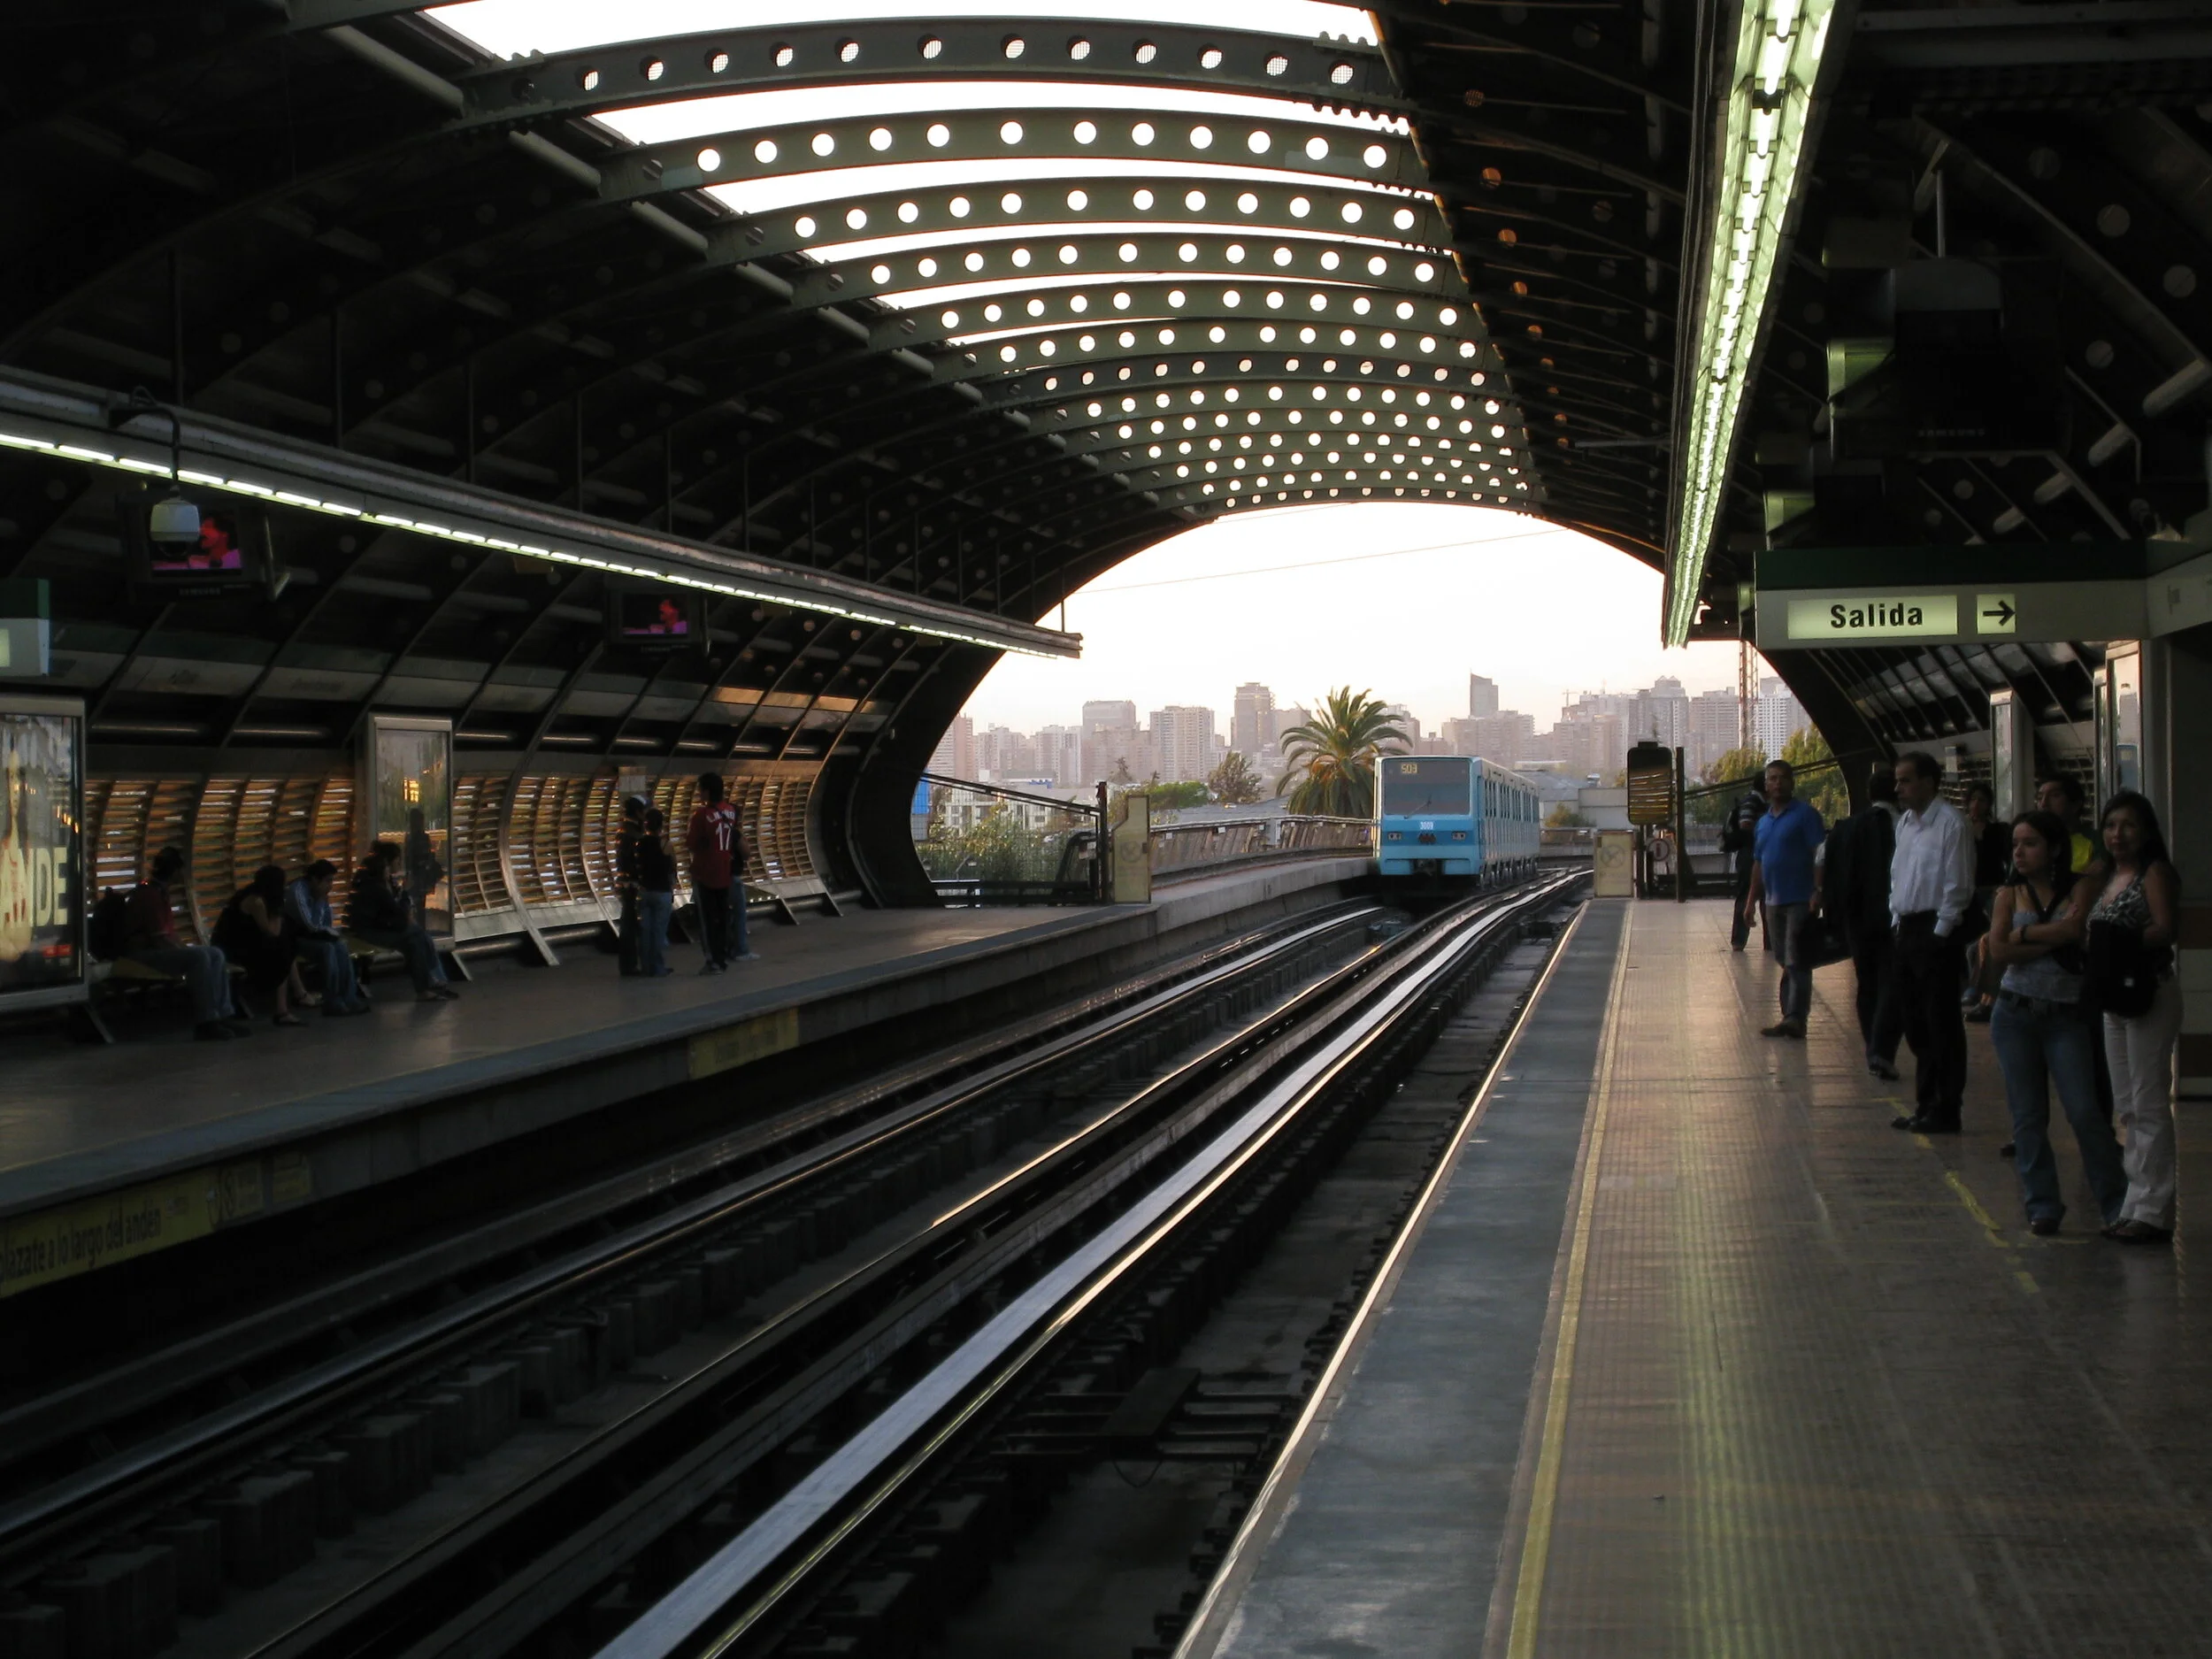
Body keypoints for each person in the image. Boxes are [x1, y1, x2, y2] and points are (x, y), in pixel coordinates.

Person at [1986, 810, 2126, 1235]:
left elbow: (2076, 931)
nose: (2020, 852)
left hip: (2066, 1017)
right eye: (2016, 844)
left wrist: (2025, 936)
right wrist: (2049, 934)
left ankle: (2117, 1202)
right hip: (2015, 1014)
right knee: (2027, 1116)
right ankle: (2042, 1204)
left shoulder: (2080, 887)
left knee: (2085, 1111)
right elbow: (1998, 952)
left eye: (2030, 843)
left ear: (2054, 849)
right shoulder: (2008, 895)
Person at [2088, 791, 2183, 1245]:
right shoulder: (2107, 876)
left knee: (2148, 1104)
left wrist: (2118, 941)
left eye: (2127, 825)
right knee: (2126, 1105)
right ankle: (2134, 1202)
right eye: (2110, 826)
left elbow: (2165, 928)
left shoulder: (2154, 874)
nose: (2117, 834)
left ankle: (2155, 1210)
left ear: (2144, 831)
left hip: (2148, 992)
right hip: (2114, 1001)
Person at [1886, 751, 1977, 1133]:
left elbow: (1958, 885)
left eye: (1906, 780)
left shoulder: (1952, 825)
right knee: (1914, 1021)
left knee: (1941, 1022)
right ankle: (1925, 1103)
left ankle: (1946, 1106)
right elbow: (1898, 874)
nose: (1899, 788)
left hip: (1937, 930)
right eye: (1898, 781)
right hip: (1907, 928)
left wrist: (1941, 934)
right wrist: (1895, 917)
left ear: (1928, 782)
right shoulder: (1905, 822)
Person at [1822, 761, 1902, 1079]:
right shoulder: (1906, 826)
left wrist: (1834, 918)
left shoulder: (1847, 828)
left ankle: (1872, 1044)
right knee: (1894, 983)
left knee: (1867, 982)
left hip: (1858, 921)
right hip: (1897, 919)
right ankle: (1883, 1048)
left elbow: (1832, 874)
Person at [122, 845, 248, 1041]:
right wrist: (183, 954)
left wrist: (184, 951)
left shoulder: (158, 892)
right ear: (175, 871)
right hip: (142, 953)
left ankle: (223, 1014)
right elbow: (159, 938)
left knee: (215, 953)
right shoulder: (150, 895)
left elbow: (167, 935)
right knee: (200, 957)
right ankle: (206, 1021)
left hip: (155, 948)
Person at [1741, 759, 1825, 1039]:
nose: (1777, 783)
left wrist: (1818, 890)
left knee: (1796, 958)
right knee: (1783, 957)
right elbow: (1759, 863)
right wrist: (1751, 900)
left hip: (1800, 899)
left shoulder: (1806, 815)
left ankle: (1794, 1017)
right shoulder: (1764, 822)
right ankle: (1790, 1014)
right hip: (1773, 901)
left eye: (1782, 778)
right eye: (1772, 779)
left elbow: (1819, 855)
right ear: (1766, 785)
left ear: (1792, 782)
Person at [349, 841, 457, 1002]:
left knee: (416, 941)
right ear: (387, 863)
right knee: (417, 936)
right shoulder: (376, 886)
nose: (399, 864)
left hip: (384, 927)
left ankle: (430, 983)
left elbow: (397, 911)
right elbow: (398, 910)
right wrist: (406, 893)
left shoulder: (386, 882)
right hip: (371, 931)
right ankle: (432, 982)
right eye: (397, 860)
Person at [213, 864, 312, 1027]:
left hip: (243, 944)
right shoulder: (256, 901)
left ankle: (291, 1002)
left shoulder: (255, 895)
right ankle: (287, 1006)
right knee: (283, 950)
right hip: (231, 950)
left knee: (285, 947)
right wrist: (278, 910)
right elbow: (272, 931)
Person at [686, 773, 755, 972]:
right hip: (725, 872)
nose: (699, 793)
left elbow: (691, 843)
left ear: (707, 791)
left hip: (705, 873)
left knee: (707, 921)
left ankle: (712, 960)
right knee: (723, 917)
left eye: (701, 789)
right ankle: (723, 956)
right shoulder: (731, 811)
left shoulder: (701, 815)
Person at [286, 859, 370, 1016]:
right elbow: (311, 926)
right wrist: (318, 900)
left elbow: (326, 924)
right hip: (294, 939)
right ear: (314, 880)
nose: (330, 886)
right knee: (328, 949)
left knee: (340, 946)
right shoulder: (298, 892)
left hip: (314, 937)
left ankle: (349, 998)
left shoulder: (322, 894)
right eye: (328, 881)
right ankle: (333, 1001)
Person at [1960, 782, 2011, 1023]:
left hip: (1991, 888)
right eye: (1973, 800)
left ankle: (1977, 989)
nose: (1976, 805)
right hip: (1968, 889)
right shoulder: (1961, 828)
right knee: (1971, 939)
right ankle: (1972, 986)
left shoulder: (1998, 831)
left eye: (1981, 800)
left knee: (1986, 938)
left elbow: (2005, 858)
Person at [1720, 785, 1767, 951]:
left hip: (1754, 853)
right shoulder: (1752, 802)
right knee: (1746, 896)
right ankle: (1739, 940)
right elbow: (1745, 823)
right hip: (1750, 854)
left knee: (1762, 898)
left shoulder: (1756, 802)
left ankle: (1767, 941)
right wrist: (1766, 829)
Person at [635, 807, 677, 978]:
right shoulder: (666, 844)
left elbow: (637, 866)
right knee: (659, 932)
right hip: (662, 892)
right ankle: (658, 967)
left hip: (645, 891)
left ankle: (645, 966)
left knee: (645, 931)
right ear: (661, 825)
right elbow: (673, 867)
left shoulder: (640, 844)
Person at [2036, 775, 2101, 881]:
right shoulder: (2032, 840)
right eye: (2039, 798)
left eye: (2054, 796)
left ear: (2075, 805)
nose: (2043, 804)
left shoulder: (2095, 840)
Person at [615, 794, 649, 977]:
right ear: (638, 812)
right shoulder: (633, 833)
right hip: (632, 885)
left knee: (629, 924)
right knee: (630, 925)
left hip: (626, 884)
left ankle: (631, 964)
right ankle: (630, 965)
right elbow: (634, 861)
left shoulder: (625, 830)